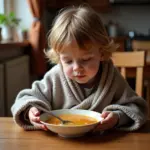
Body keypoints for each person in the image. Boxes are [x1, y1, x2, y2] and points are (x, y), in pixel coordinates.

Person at [11, 5, 148, 132]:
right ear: (59, 57)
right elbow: (26, 98)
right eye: (68, 61)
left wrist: (117, 118)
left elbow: (136, 108)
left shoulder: (111, 77)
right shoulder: (55, 77)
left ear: (101, 52)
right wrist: (31, 110)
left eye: (86, 59)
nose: (77, 68)